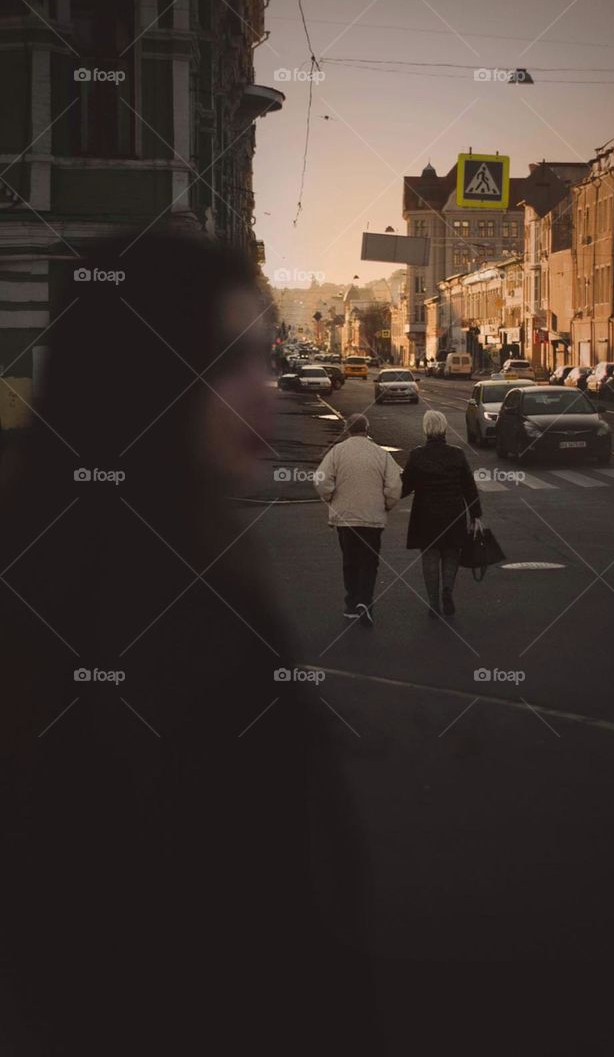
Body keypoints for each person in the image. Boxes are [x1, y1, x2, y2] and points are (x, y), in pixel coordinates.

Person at [0, 232, 376, 1056]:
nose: (267, 393)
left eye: (266, 357)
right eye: (233, 360)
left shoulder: (122, 563)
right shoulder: (160, 619)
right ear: (151, 375)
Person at [315, 412, 402, 627]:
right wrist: (386, 505)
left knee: (350, 561)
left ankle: (352, 603)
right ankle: (365, 600)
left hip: (345, 517)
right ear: (367, 429)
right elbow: (394, 486)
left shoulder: (337, 452)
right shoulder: (381, 454)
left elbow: (320, 479)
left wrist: (330, 498)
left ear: (347, 429)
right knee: (369, 562)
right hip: (372, 518)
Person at [401, 410, 482, 617]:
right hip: (453, 513)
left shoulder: (417, 455)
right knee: (451, 553)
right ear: (444, 428)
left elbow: (405, 488)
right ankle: (447, 589)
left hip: (425, 515)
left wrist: (386, 495)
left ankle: (434, 604)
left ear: (426, 429)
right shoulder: (457, 454)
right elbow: (469, 487)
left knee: (430, 557)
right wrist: (476, 514)